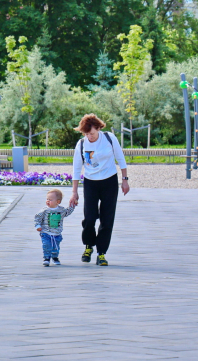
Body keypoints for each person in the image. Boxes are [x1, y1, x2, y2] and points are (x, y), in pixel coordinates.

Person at [69, 114, 129, 266]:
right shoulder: (81, 144)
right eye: (86, 134)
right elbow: (76, 169)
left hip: (109, 181)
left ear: (98, 128)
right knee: (89, 218)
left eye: (92, 133)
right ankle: (88, 246)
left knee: (107, 219)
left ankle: (101, 253)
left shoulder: (109, 138)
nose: (89, 136)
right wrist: (74, 192)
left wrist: (125, 180)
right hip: (91, 183)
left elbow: (120, 158)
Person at [34, 189, 76, 267]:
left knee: (56, 247)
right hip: (46, 233)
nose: (48, 201)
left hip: (57, 233)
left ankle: (55, 257)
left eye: (50, 200)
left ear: (58, 202)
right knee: (46, 245)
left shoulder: (61, 210)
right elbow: (37, 218)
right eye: (47, 199)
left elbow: (68, 212)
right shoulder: (44, 210)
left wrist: (72, 205)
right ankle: (46, 258)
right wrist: (38, 226)